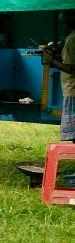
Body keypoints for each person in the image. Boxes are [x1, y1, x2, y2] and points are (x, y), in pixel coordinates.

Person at [41, 10, 75, 143]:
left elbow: (70, 68)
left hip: (72, 90)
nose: (61, 28)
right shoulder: (70, 38)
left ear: (69, 24)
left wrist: (51, 61)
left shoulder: (72, 40)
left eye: (62, 24)